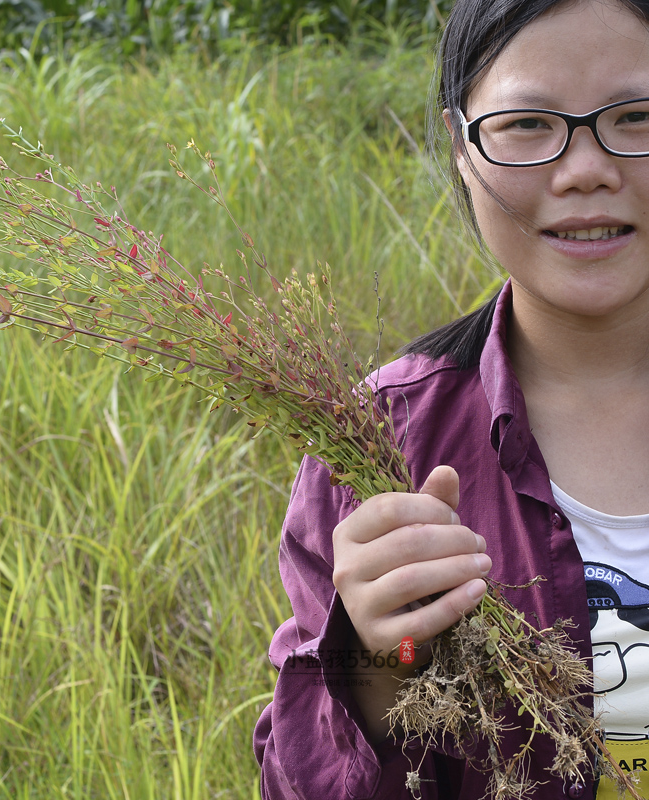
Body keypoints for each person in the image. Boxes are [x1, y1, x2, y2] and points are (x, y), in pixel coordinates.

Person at [253, 0, 649, 798]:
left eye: (637, 115)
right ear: (459, 147)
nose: (586, 170)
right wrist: (380, 664)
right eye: (528, 124)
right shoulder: (381, 446)